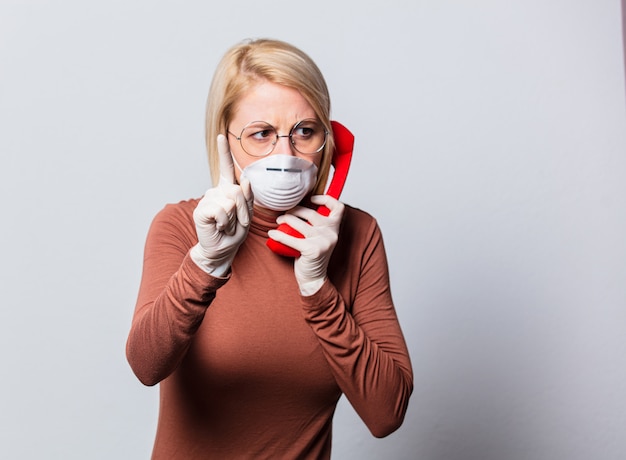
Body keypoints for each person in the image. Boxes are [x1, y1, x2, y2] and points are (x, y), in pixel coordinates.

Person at [126, 38, 413, 459]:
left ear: (329, 140)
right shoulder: (180, 226)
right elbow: (146, 366)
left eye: (304, 131)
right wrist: (206, 263)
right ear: (226, 142)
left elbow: (386, 413)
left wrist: (318, 288)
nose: (286, 153)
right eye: (261, 134)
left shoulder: (358, 234)